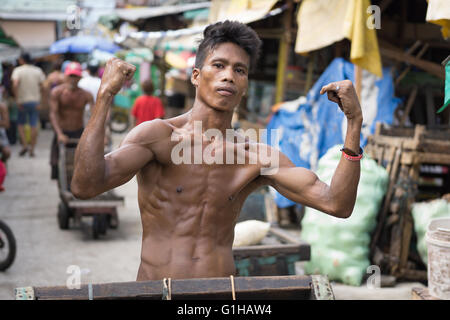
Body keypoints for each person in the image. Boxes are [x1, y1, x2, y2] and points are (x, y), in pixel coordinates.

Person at [71, 21, 363, 281]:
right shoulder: (157, 137)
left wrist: (353, 123)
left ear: (245, 84)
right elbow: (85, 185)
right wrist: (105, 96)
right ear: (196, 75)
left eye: (240, 70)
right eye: (218, 65)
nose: (229, 76)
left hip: (222, 297)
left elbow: (336, 204)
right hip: (156, 291)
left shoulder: (255, 156)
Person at [49, 61, 93, 180]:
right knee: (56, 165)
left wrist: (96, 134)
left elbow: (94, 115)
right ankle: (63, 190)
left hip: (78, 131)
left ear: (80, 77)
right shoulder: (57, 92)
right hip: (62, 132)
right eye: (70, 76)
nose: (73, 79)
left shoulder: (86, 95)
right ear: (65, 76)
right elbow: (53, 114)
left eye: (75, 76)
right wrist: (59, 133)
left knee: (80, 165)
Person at [11, 53, 46, 157]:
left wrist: (17, 99)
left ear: (22, 60)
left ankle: (25, 145)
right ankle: (32, 149)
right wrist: (42, 101)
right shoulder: (38, 70)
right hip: (35, 102)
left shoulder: (18, 70)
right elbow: (43, 87)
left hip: (22, 102)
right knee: (33, 125)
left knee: (20, 125)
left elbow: (15, 84)